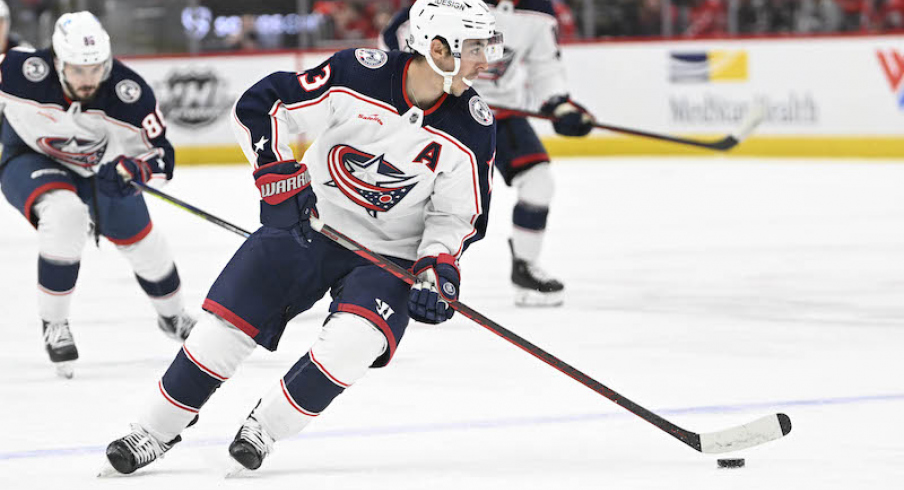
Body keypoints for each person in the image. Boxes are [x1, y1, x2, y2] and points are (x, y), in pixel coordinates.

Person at [101, 0, 499, 475]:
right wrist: (274, 171)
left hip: (389, 255)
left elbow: (457, 215)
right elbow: (264, 105)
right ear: (437, 49)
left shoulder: (474, 125)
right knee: (221, 331)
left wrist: (438, 266)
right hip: (309, 223)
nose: (485, 60)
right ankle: (153, 430)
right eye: (475, 47)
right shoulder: (358, 74)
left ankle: (264, 429)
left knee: (356, 342)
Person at [0, 12, 196, 379]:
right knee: (65, 216)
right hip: (29, 161)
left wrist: (138, 171)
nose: (88, 80)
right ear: (57, 61)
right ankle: (54, 325)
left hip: (102, 173)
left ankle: (173, 317)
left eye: (96, 69)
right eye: (77, 70)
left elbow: (162, 158)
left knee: (148, 247)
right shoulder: (17, 71)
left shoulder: (128, 93)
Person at [381, 0, 595, 307]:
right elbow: (397, 35)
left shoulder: (538, 10)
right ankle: (397, 265)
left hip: (501, 114)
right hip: (444, 108)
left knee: (539, 182)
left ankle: (525, 268)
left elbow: (545, 64)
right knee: (417, 192)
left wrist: (558, 103)